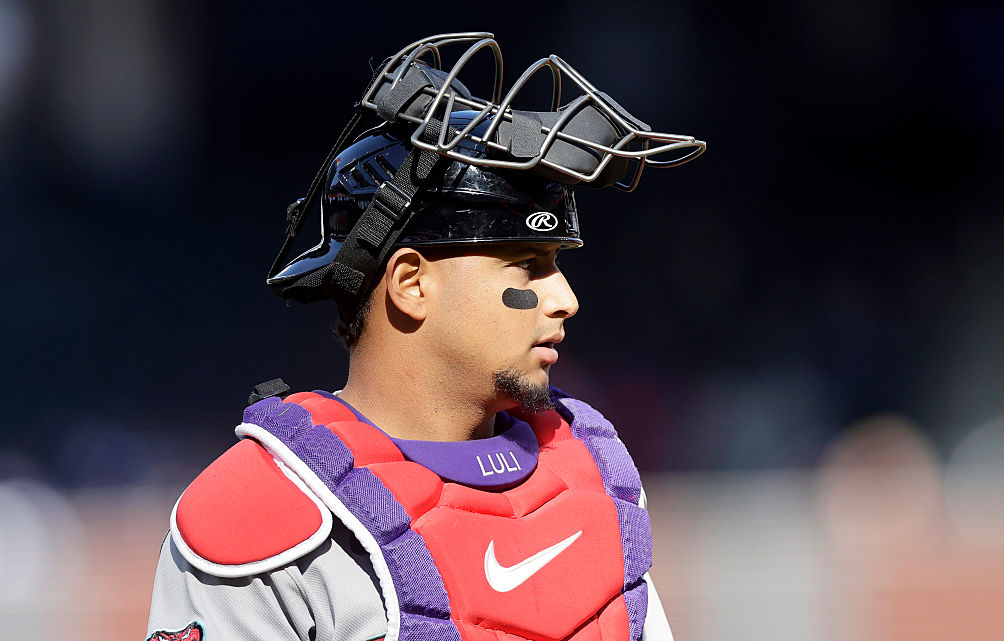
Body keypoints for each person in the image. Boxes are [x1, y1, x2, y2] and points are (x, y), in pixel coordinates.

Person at [145, 32, 705, 641]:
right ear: (411, 283)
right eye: (526, 265)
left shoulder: (592, 477)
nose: (565, 298)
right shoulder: (265, 514)